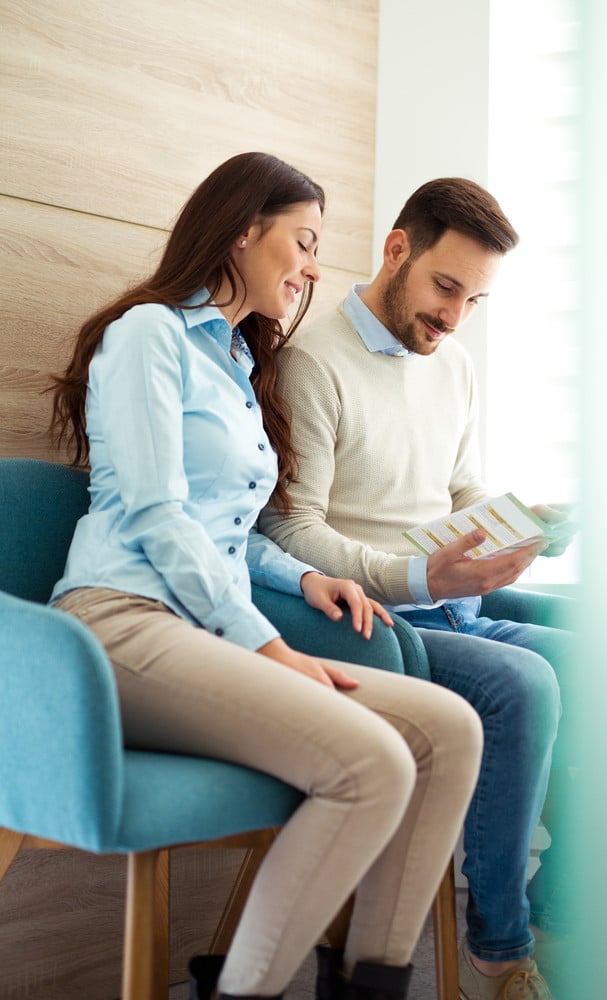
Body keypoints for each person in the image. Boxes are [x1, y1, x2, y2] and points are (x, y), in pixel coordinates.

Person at [46, 153, 483, 1000]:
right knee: (374, 765)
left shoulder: (238, 367)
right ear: (245, 229)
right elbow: (154, 513)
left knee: (448, 731)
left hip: (199, 628)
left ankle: (367, 985)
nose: (315, 266)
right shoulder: (147, 335)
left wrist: (298, 577)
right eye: (304, 240)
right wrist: (269, 646)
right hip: (119, 622)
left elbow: (225, 530)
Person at [259, 177, 577, 1000]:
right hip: (380, 624)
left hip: (456, 609)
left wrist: (518, 521)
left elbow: (459, 491)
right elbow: (293, 532)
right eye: (445, 288)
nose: (453, 317)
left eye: (474, 299)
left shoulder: (454, 367)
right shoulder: (310, 365)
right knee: (525, 681)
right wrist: (415, 574)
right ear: (397, 248)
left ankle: (561, 912)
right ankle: (498, 950)